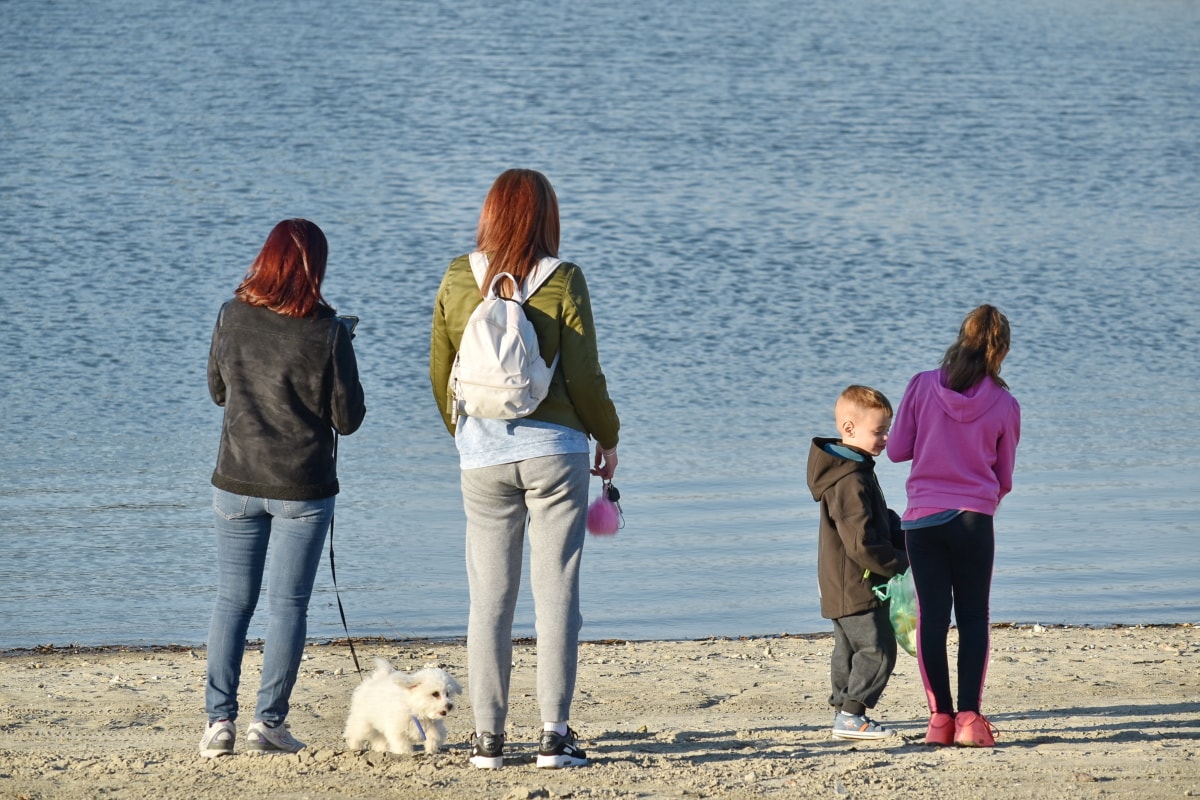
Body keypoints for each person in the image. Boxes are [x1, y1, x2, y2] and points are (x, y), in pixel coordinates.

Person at [429, 169, 620, 770]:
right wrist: (608, 437)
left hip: (481, 455)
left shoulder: (460, 275)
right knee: (556, 591)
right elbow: (584, 376)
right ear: (546, 217)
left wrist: (462, 434)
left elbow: (441, 370)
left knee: (489, 599)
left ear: (490, 213)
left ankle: (488, 740)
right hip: (555, 454)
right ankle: (553, 736)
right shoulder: (563, 278)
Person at [200, 219, 366, 758]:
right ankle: (268, 722)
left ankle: (218, 724)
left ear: (266, 260)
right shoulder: (329, 330)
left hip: (237, 481)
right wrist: (344, 350)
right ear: (314, 267)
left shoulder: (231, 314)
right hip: (302, 488)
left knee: (232, 602)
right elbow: (348, 418)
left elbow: (218, 391)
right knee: (288, 606)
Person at [886, 304, 1020, 748]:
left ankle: (939, 720)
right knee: (974, 618)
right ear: (1000, 350)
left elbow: (897, 450)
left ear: (961, 338)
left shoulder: (922, 385)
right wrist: (979, 501)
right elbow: (1004, 479)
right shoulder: (1005, 403)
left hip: (923, 521)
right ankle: (970, 720)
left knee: (932, 620)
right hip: (973, 523)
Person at [807, 385, 909, 741]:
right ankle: (852, 715)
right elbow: (861, 542)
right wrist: (900, 562)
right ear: (849, 429)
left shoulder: (852, 468)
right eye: (878, 431)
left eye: (887, 429)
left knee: (848, 649)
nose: (885, 438)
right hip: (857, 583)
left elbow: (871, 519)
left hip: (837, 583)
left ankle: (842, 710)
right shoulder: (850, 479)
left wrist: (899, 527)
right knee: (878, 649)